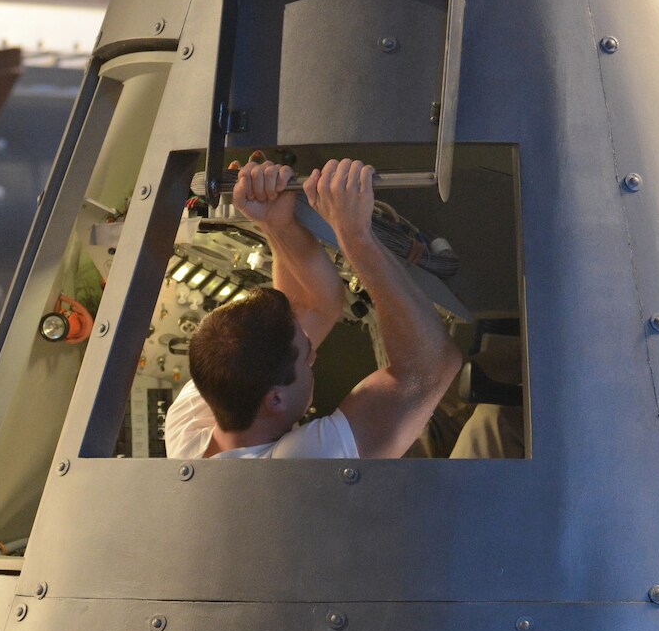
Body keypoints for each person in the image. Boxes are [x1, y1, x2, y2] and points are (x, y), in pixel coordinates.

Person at [163, 158, 462, 459]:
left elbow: (312, 305)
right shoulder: (294, 465)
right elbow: (434, 365)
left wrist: (275, 224)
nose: (314, 353)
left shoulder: (188, 425)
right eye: (306, 358)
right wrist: (356, 236)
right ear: (275, 399)